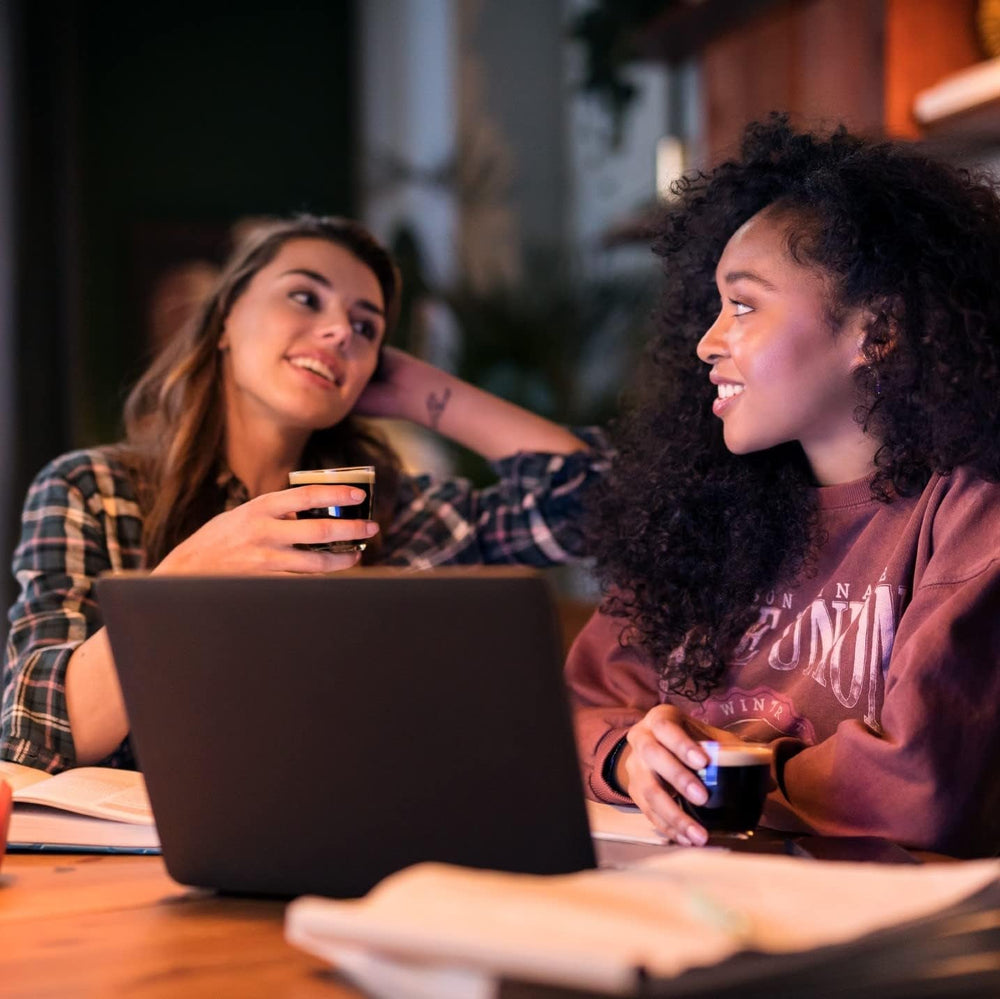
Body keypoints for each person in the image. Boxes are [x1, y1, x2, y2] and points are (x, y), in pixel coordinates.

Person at [3, 215, 608, 773]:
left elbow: (608, 506)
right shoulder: (93, 493)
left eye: (366, 326)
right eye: (304, 296)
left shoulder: (400, 518)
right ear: (224, 320)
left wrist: (425, 392)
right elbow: (35, 736)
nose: (340, 329)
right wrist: (183, 579)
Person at [569, 116, 1000, 858]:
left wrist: (716, 771)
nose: (707, 342)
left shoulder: (969, 514)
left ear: (878, 332)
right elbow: (574, 710)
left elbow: (920, 781)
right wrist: (630, 755)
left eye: (742, 305)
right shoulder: (700, 515)